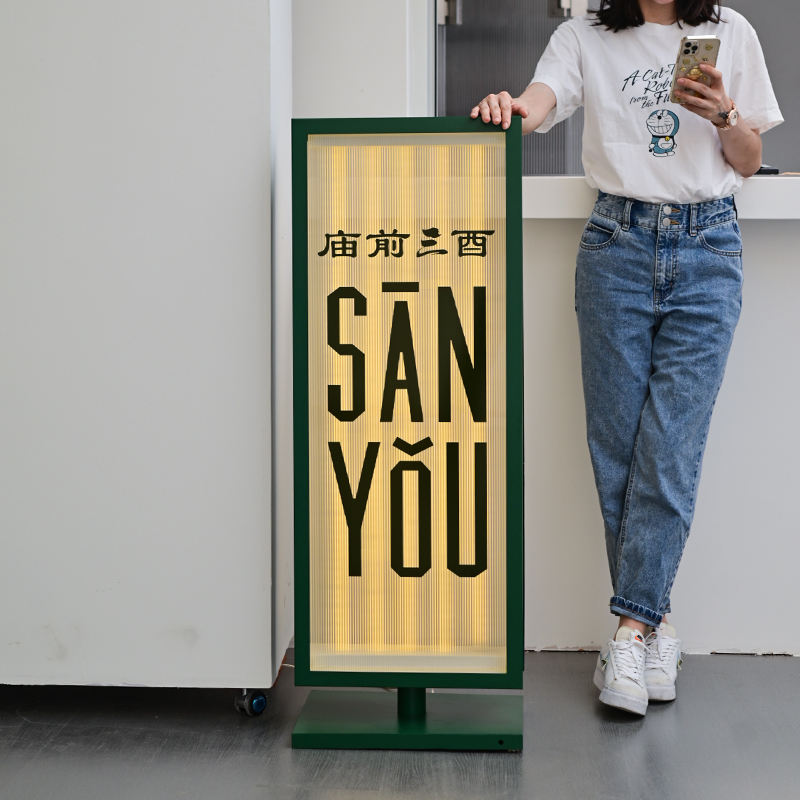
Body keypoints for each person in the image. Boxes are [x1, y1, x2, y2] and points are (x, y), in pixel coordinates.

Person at [471, 0, 782, 716]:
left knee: (670, 446)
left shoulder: (729, 31)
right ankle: (654, 625)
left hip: (708, 249)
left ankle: (630, 631)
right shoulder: (583, 35)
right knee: (615, 449)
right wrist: (510, 107)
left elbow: (748, 160)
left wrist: (725, 114)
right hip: (616, 247)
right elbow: (539, 101)